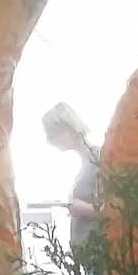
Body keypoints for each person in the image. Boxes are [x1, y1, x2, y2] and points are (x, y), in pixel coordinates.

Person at [42, 102, 102, 249]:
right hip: (87, 250)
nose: (50, 141)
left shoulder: (100, 158)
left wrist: (84, 209)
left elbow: (116, 209)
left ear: (68, 128)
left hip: (99, 250)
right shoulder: (84, 162)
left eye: (52, 134)